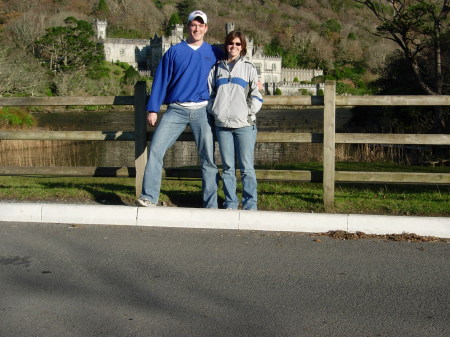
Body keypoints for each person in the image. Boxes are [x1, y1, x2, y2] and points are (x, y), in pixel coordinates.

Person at [136, 10, 223, 208]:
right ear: (188, 26)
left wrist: (254, 81)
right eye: (194, 24)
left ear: (206, 28)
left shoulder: (214, 52)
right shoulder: (174, 52)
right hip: (176, 110)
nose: (197, 28)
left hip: (203, 110)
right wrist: (153, 109)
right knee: (156, 150)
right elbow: (161, 80)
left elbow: (234, 64)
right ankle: (149, 197)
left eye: (201, 25)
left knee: (208, 158)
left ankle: (211, 204)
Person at [207, 31, 263, 210]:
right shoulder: (217, 68)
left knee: (247, 168)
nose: (234, 46)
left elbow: (256, 94)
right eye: (231, 43)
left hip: (244, 126)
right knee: (228, 168)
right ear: (226, 45)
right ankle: (230, 203)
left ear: (243, 47)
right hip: (222, 126)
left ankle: (250, 205)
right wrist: (215, 111)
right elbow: (209, 95)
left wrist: (247, 113)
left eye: (238, 44)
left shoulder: (249, 68)